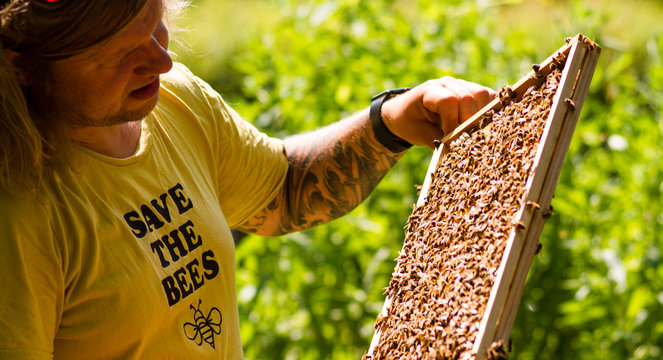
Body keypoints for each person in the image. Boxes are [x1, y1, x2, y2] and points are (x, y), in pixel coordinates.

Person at [0, 0, 495, 358]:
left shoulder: (174, 100)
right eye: (119, 53)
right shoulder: (19, 213)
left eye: (155, 26)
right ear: (22, 65)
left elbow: (283, 191)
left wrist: (391, 122)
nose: (161, 60)